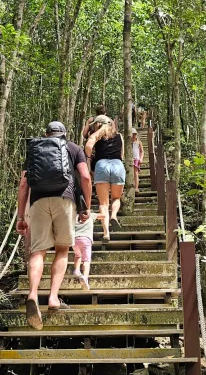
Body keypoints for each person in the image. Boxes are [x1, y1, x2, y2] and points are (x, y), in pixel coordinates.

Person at [17, 121, 91, 330]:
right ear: (64, 134)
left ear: (46, 134)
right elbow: (85, 176)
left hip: (38, 202)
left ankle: (32, 294)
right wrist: (85, 205)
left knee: (37, 251)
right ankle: (53, 298)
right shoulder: (73, 148)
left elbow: (24, 184)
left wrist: (21, 216)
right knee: (62, 250)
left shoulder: (35, 149)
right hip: (65, 200)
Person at [85, 116, 125, 241]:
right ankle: (113, 215)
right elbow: (122, 154)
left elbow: (88, 145)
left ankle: (106, 233)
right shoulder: (119, 136)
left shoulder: (96, 136)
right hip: (117, 165)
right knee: (116, 198)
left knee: (103, 203)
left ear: (99, 125)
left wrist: (89, 157)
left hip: (101, 165)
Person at [72, 211, 94, 290]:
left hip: (75, 239)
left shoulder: (74, 216)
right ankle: (85, 277)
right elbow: (103, 216)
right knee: (86, 261)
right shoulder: (90, 215)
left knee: (78, 255)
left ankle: (77, 270)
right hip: (86, 239)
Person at [131, 130, 144, 194]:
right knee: (130, 173)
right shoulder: (128, 142)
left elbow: (142, 151)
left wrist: (141, 158)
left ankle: (136, 187)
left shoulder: (139, 142)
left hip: (136, 159)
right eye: (132, 134)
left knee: (136, 173)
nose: (133, 136)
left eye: (135, 134)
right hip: (130, 159)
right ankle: (131, 187)